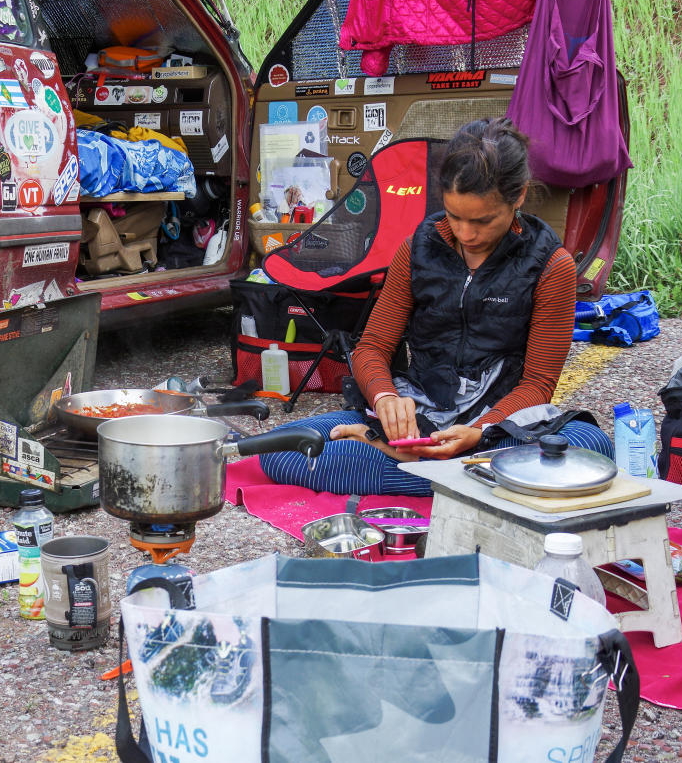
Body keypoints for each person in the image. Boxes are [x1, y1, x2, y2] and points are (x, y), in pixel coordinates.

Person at [259, 117, 612, 495]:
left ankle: (416, 464)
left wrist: (479, 431)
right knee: (279, 449)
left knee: (591, 445)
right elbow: (372, 349)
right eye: (454, 216)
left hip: (498, 426)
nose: (466, 233)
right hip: (418, 413)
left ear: (519, 196)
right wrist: (386, 399)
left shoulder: (550, 266)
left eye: (483, 220)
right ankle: (470, 478)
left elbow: (538, 384)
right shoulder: (417, 249)